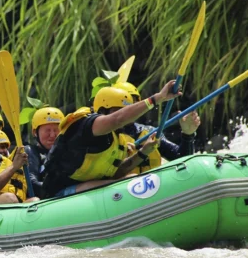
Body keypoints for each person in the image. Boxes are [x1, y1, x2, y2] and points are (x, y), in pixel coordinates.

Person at [42, 81, 181, 198]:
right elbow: (118, 119)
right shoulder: (86, 125)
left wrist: (143, 152)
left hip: (88, 190)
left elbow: (116, 173)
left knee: (128, 179)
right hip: (60, 194)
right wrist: (157, 98)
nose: (127, 117)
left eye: (126, 110)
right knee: (127, 182)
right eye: (117, 110)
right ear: (102, 111)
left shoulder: (118, 140)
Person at [112, 81, 200, 173]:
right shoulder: (106, 136)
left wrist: (188, 134)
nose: (131, 109)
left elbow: (183, 159)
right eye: (126, 104)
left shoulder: (150, 133)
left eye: (134, 103)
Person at [24, 107, 64, 197]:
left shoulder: (67, 150)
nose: (52, 135)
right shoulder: (30, 151)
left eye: (56, 130)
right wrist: (61, 188)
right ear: (35, 132)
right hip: (43, 198)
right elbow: (32, 184)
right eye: (47, 130)